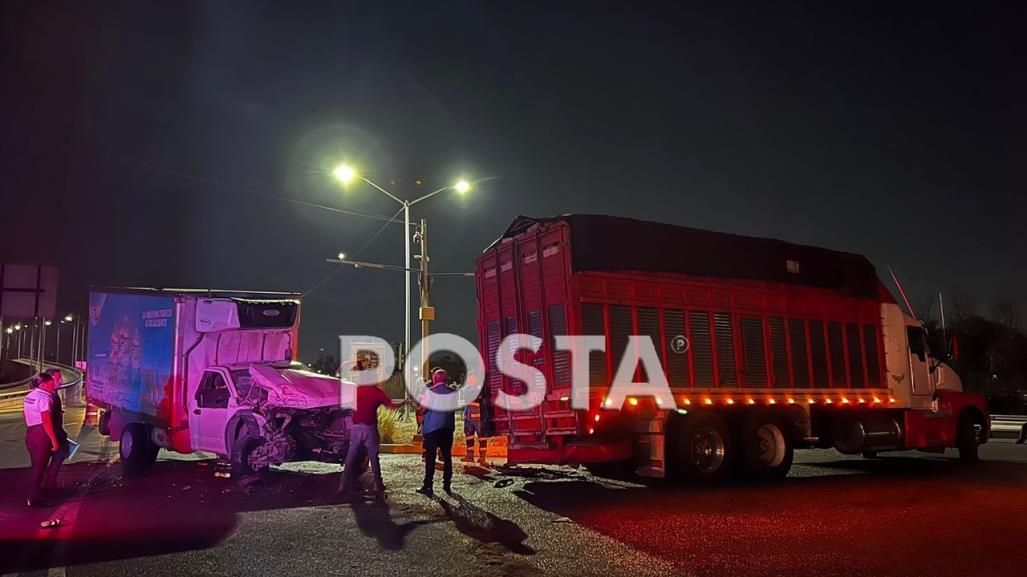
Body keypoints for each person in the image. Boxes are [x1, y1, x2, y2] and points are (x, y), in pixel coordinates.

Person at [339, 363, 397, 495]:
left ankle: (343, 484)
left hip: (356, 427)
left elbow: (346, 405)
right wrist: (405, 402)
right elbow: (391, 406)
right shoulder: (377, 392)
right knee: (373, 457)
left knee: (350, 457)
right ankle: (378, 484)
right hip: (370, 427)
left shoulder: (356, 391)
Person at [24, 372, 70, 507]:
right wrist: (54, 441)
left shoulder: (29, 396)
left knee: (36, 467)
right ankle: (34, 498)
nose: (54, 385)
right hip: (41, 434)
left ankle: (37, 494)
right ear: (43, 384)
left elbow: (25, 414)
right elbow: (46, 420)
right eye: (51, 383)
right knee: (40, 468)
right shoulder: (45, 398)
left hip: (31, 432)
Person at [417, 369, 456, 496]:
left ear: (434, 379)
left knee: (430, 457)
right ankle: (447, 483)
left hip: (432, 428)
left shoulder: (430, 392)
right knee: (447, 456)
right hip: (447, 427)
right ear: (445, 379)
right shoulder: (452, 392)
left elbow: (422, 409)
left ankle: (428, 485)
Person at [462, 394, 489, 466]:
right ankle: (470, 455)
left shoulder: (480, 389)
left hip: (478, 418)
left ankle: (482, 457)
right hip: (469, 417)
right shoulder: (468, 389)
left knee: (482, 437)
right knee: (469, 437)